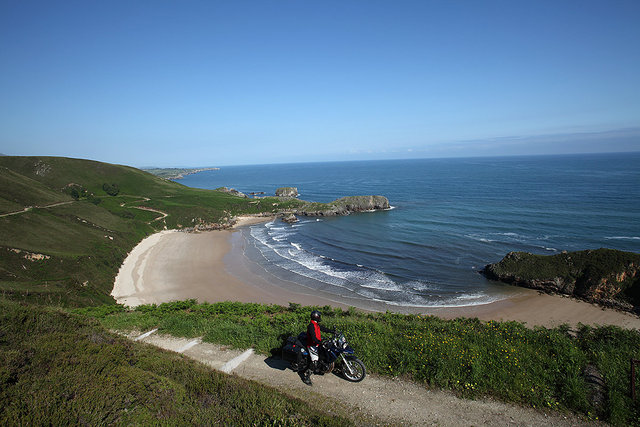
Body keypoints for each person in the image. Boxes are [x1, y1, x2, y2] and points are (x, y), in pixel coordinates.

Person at [300, 310, 334, 386]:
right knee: (315, 361)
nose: (320, 317)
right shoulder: (311, 326)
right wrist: (320, 342)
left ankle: (320, 368)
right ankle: (306, 377)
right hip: (312, 345)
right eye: (319, 316)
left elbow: (323, 329)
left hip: (317, 344)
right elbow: (313, 338)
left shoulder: (316, 324)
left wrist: (332, 331)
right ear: (316, 317)